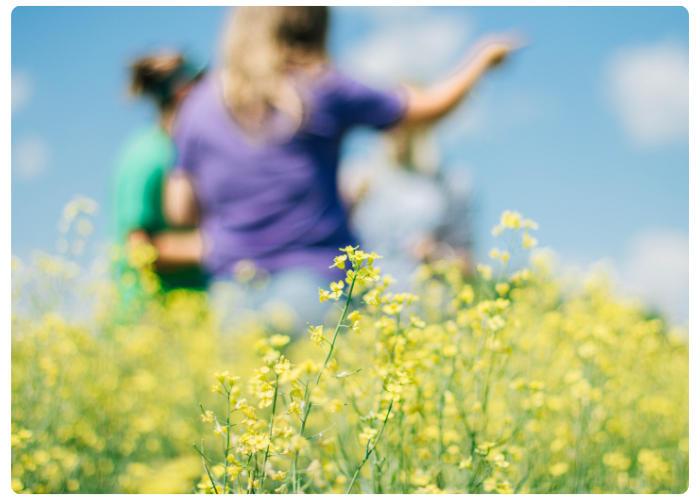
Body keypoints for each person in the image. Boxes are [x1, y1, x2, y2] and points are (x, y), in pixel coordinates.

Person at [164, 7, 516, 322]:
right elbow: (426, 108)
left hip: (233, 296)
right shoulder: (321, 84)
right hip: (316, 287)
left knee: (245, 395)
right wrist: (481, 59)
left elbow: (180, 210)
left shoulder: (196, 106)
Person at [112, 51, 207, 291]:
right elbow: (138, 248)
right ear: (184, 93)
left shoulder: (185, 152)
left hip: (188, 318)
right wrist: (211, 246)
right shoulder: (148, 156)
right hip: (149, 317)